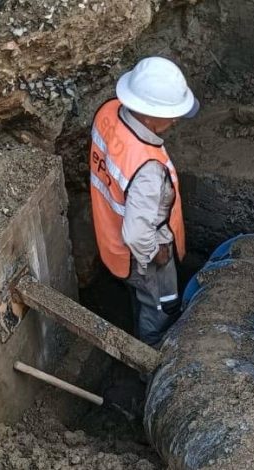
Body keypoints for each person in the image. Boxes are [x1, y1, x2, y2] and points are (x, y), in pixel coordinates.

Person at [89, 57, 199, 346]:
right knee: (160, 308)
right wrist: (155, 254)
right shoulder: (148, 169)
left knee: (137, 294)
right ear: (149, 115)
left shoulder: (108, 112)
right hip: (142, 254)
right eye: (170, 113)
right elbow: (137, 233)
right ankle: (150, 359)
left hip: (110, 238)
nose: (175, 120)